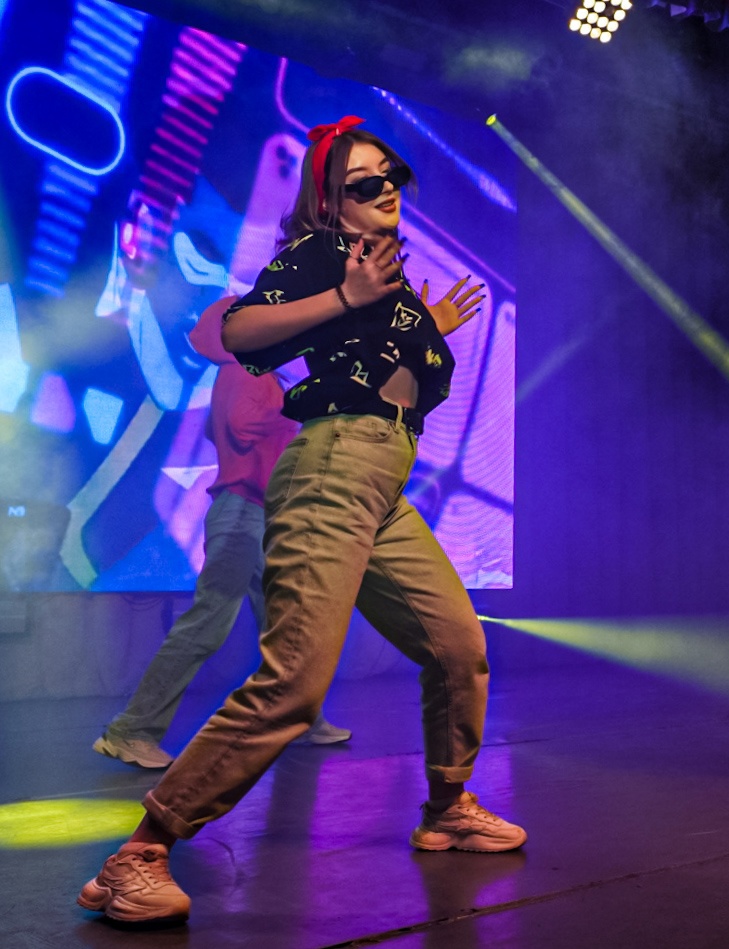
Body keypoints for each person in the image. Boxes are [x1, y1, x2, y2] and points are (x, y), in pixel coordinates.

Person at [78, 116, 524, 925]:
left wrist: (423, 326)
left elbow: (386, 368)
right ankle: (137, 854)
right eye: (363, 182)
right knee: (294, 682)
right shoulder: (322, 256)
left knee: (459, 646)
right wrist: (347, 295)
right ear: (330, 201)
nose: (385, 188)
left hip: (383, 483)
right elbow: (237, 331)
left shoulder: (391, 283)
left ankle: (447, 807)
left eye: (390, 174)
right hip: (332, 468)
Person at [92, 297, 350, 771]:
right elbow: (239, 425)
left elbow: (219, 431)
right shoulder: (244, 371)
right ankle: (130, 731)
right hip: (242, 514)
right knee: (208, 623)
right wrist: (295, 409)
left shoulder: (255, 374)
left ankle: (300, 719)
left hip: (258, 512)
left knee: (285, 624)